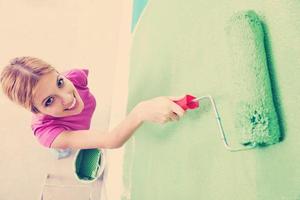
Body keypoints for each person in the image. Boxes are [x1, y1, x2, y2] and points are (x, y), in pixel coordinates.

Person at [0, 57, 185, 159]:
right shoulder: (49, 134)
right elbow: (111, 140)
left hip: (76, 128)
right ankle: (62, 150)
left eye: (59, 82)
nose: (67, 97)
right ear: (36, 111)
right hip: (61, 136)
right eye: (49, 101)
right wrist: (141, 112)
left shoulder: (76, 77)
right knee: (62, 148)